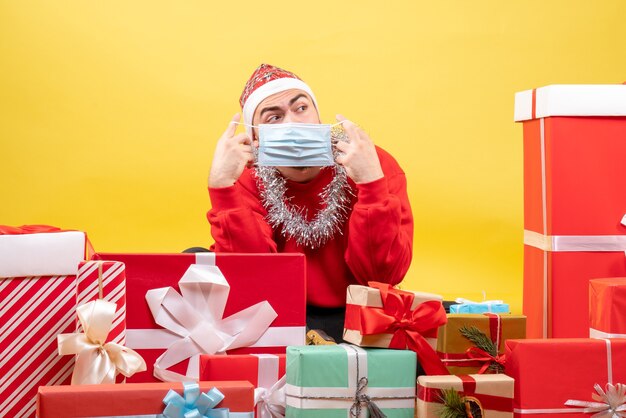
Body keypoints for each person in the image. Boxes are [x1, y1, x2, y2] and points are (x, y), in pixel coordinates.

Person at [206, 63, 413, 342]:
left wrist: (372, 185)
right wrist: (222, 189)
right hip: (281, 316)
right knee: (196, 266)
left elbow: (382, 277)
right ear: (255, 138)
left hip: (360, 315)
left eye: (301, 108)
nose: (292, 123)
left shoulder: (371, 163)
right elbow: (250, 277)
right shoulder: (247, 178)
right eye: (274, 118)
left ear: (318, 116)